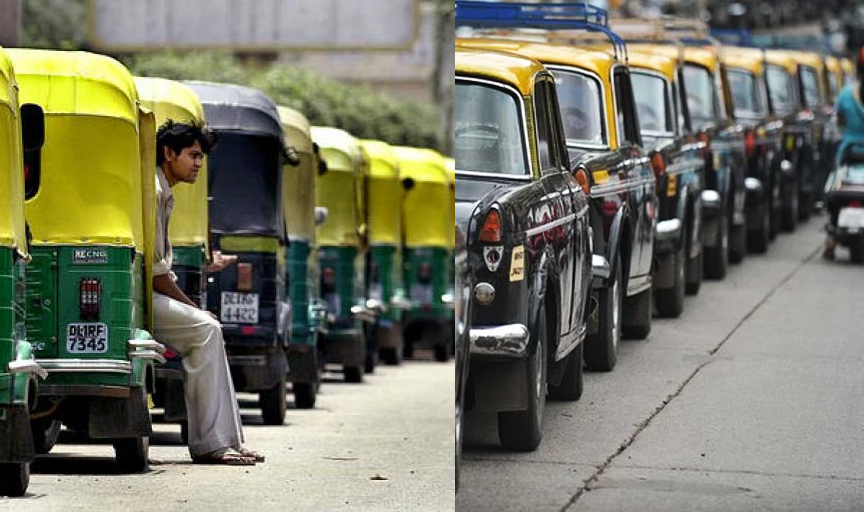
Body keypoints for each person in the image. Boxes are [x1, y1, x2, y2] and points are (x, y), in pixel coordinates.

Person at [153, 120, 264, 465]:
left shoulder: (162, 190)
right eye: (193, 155)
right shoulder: (155, 191)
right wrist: (194, 309)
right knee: (206, 329)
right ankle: (211, 444)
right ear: (169, 154)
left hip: (149, 292)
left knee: (210, 332)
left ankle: (228, 439)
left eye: (201, 157)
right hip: (140, 298)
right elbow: (156, 276)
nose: (198, 164)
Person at [825, 48, 864, 258]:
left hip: (847, 153)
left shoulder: (847, 94)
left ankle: (830, 241)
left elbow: (838, 122)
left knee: (832, 191)